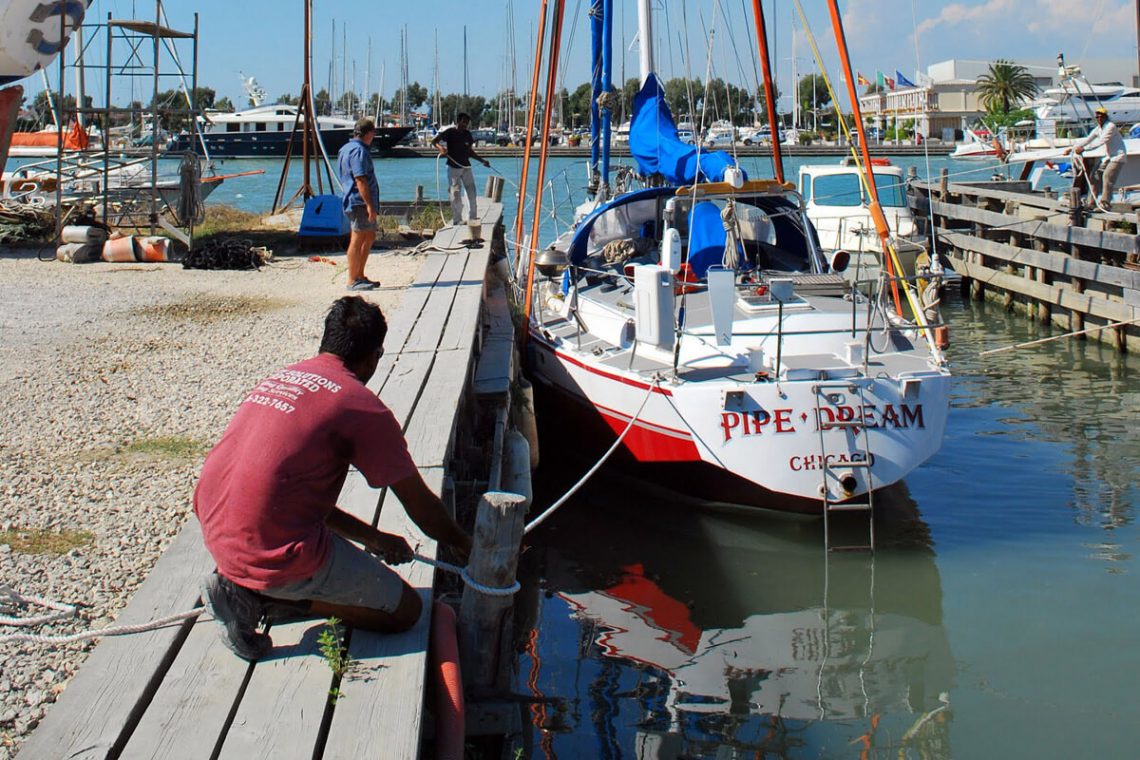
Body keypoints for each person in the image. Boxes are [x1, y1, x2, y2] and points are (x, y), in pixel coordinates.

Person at [194, 296, 473, 660]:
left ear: (327, 341)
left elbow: (298, 498)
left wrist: (372, 537)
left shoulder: (284, 377)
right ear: (375, 355)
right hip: (270, 550)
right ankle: (263, 600)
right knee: (406, 611)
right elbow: (420, 505)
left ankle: (248, 585)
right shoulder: (361, 407)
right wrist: (463, 543)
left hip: (218, 532)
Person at [338, 118, 382, 291]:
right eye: (373, 133)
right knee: (357, 237)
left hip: (357, 199)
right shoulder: (358, 151)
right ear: (369, 133)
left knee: (369, 235)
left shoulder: (347, 148)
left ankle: (360, 274)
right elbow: (360, 179)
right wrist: (369, 205)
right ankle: (352, 279)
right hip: (358, 201)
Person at [432, 113, 490, 226]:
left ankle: (473, 218)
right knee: (455, 194)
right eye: (463, 122)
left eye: (466, 123)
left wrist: (482, 161)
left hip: (466, 167)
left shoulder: (467, 134)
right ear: (458, 121)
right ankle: (457, 220)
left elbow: (470, 152)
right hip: (453, 167)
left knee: (472, 192)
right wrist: (441, 148)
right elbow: (434, 141)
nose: (464, 125)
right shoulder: (450, 132)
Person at [1065, 107, 1127, 209]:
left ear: (1106, 117)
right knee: (1094, 177)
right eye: (1097, 116)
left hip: (1117, 157)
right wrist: (1072, 149)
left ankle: (1105, 204)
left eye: (1101, 116)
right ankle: (1091, 203)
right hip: (1107, 157)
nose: (1099, 118)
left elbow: (1100, 141)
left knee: (1107, 177)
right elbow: (1087, 140)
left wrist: (1084, 149)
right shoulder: (1098, 128)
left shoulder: (1110, 126)